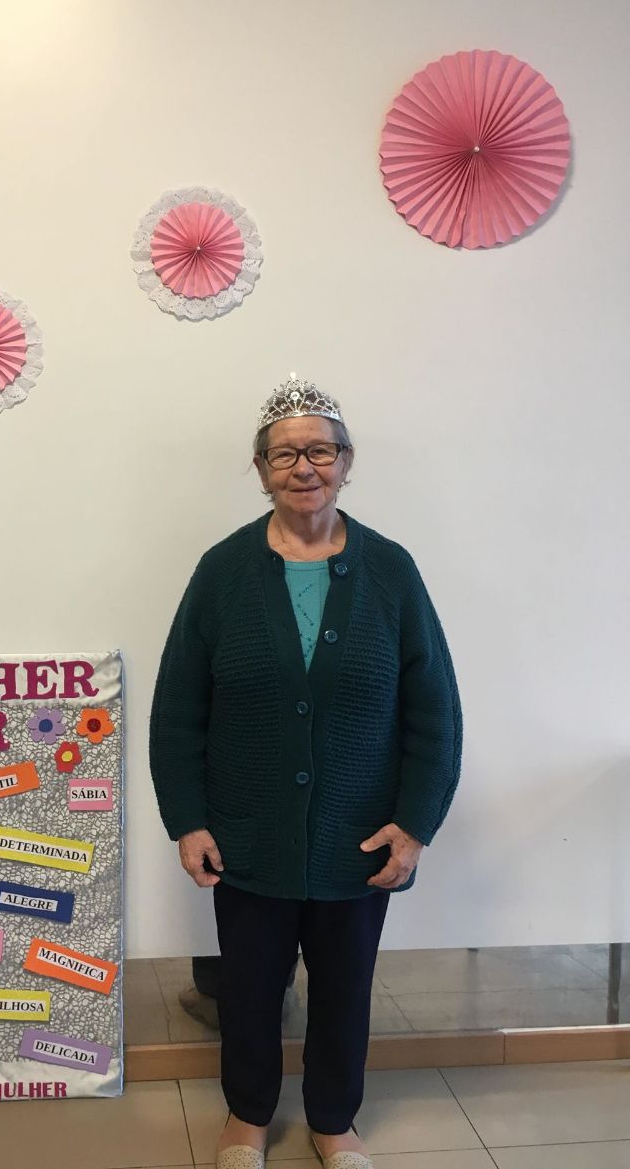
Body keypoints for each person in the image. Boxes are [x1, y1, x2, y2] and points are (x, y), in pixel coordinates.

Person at [149, 376, 461, 1169]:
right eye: (284, 454)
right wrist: (188, 819)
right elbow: (178, 708)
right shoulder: (223, 572)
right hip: (246, 834)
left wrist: (415, 825)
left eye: (320, 450)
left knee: (345, 990)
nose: (304, 467)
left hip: (359, 837)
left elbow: (435, 712)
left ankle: (333, 1121)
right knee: (249, 989)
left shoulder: (391, 572)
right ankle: (248, 1117)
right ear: (261, 470)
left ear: (346, 462)